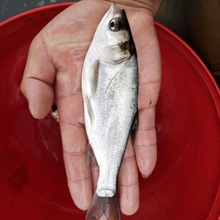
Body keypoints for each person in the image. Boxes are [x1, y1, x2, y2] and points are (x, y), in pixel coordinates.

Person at [20, 0, 163, 216]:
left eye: (113, 26)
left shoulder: (107, 53)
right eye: (114, 25)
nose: (112, 17)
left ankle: (106, 189)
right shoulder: (107, 51)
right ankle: (106, 190)